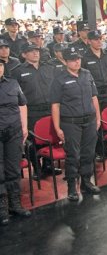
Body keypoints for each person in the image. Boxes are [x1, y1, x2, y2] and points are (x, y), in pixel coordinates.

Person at [49, 45, 102, 202]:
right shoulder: (59, 79)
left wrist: (98, 118)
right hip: (71, 123)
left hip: (89, 121)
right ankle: (72, 186)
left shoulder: (87, 74)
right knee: (73, 155)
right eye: (73, 60)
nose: (77, 62)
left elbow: (94, 98)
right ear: (66, 62)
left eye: (78, 59)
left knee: (88, 153)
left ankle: (86, 182)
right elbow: (55, 105)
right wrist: (57, 127)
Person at [12, 43, 63, 180]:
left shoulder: (49, 68)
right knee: (33, 141)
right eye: (31, 51)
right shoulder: (17, 71)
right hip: (31, 110)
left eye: (37, 51)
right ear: (24, 54)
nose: (36, 53)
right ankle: (37, 168)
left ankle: (48, 165)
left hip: (49, 108)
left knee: (50, 138)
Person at [0, 60, 31, 226]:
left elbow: (22, 104)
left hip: (14, 133)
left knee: (13, 169)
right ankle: (2, 207)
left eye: (0, 65)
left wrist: (25, 127)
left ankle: (15, 204)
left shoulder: (12, 83)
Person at [82, 30, 107, 162]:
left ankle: (106, 148)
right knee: (95, 123)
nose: (99, 42)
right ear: (89, 41)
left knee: (106, 121)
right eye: (96, 39)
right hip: (93, 95)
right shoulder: (85, 57)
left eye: (100, 39)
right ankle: (97, 150)